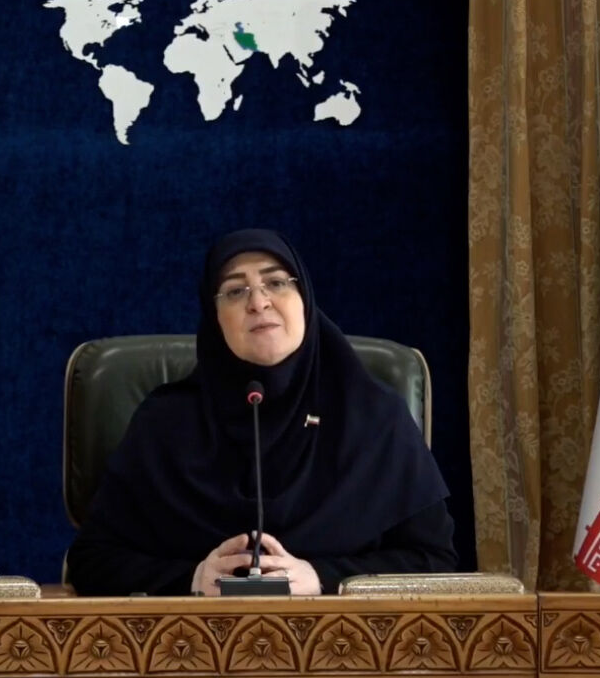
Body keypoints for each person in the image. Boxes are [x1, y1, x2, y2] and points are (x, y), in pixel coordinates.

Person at [67, 229, 456, 596]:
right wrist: (192, 578)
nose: (258, 302)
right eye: (236, 291)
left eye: (277, 282)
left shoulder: (375, 419)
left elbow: (434, 561)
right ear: (214, 317)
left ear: (305, 299)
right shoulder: (165, 423)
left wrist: (322, 577)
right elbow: (91, 560)